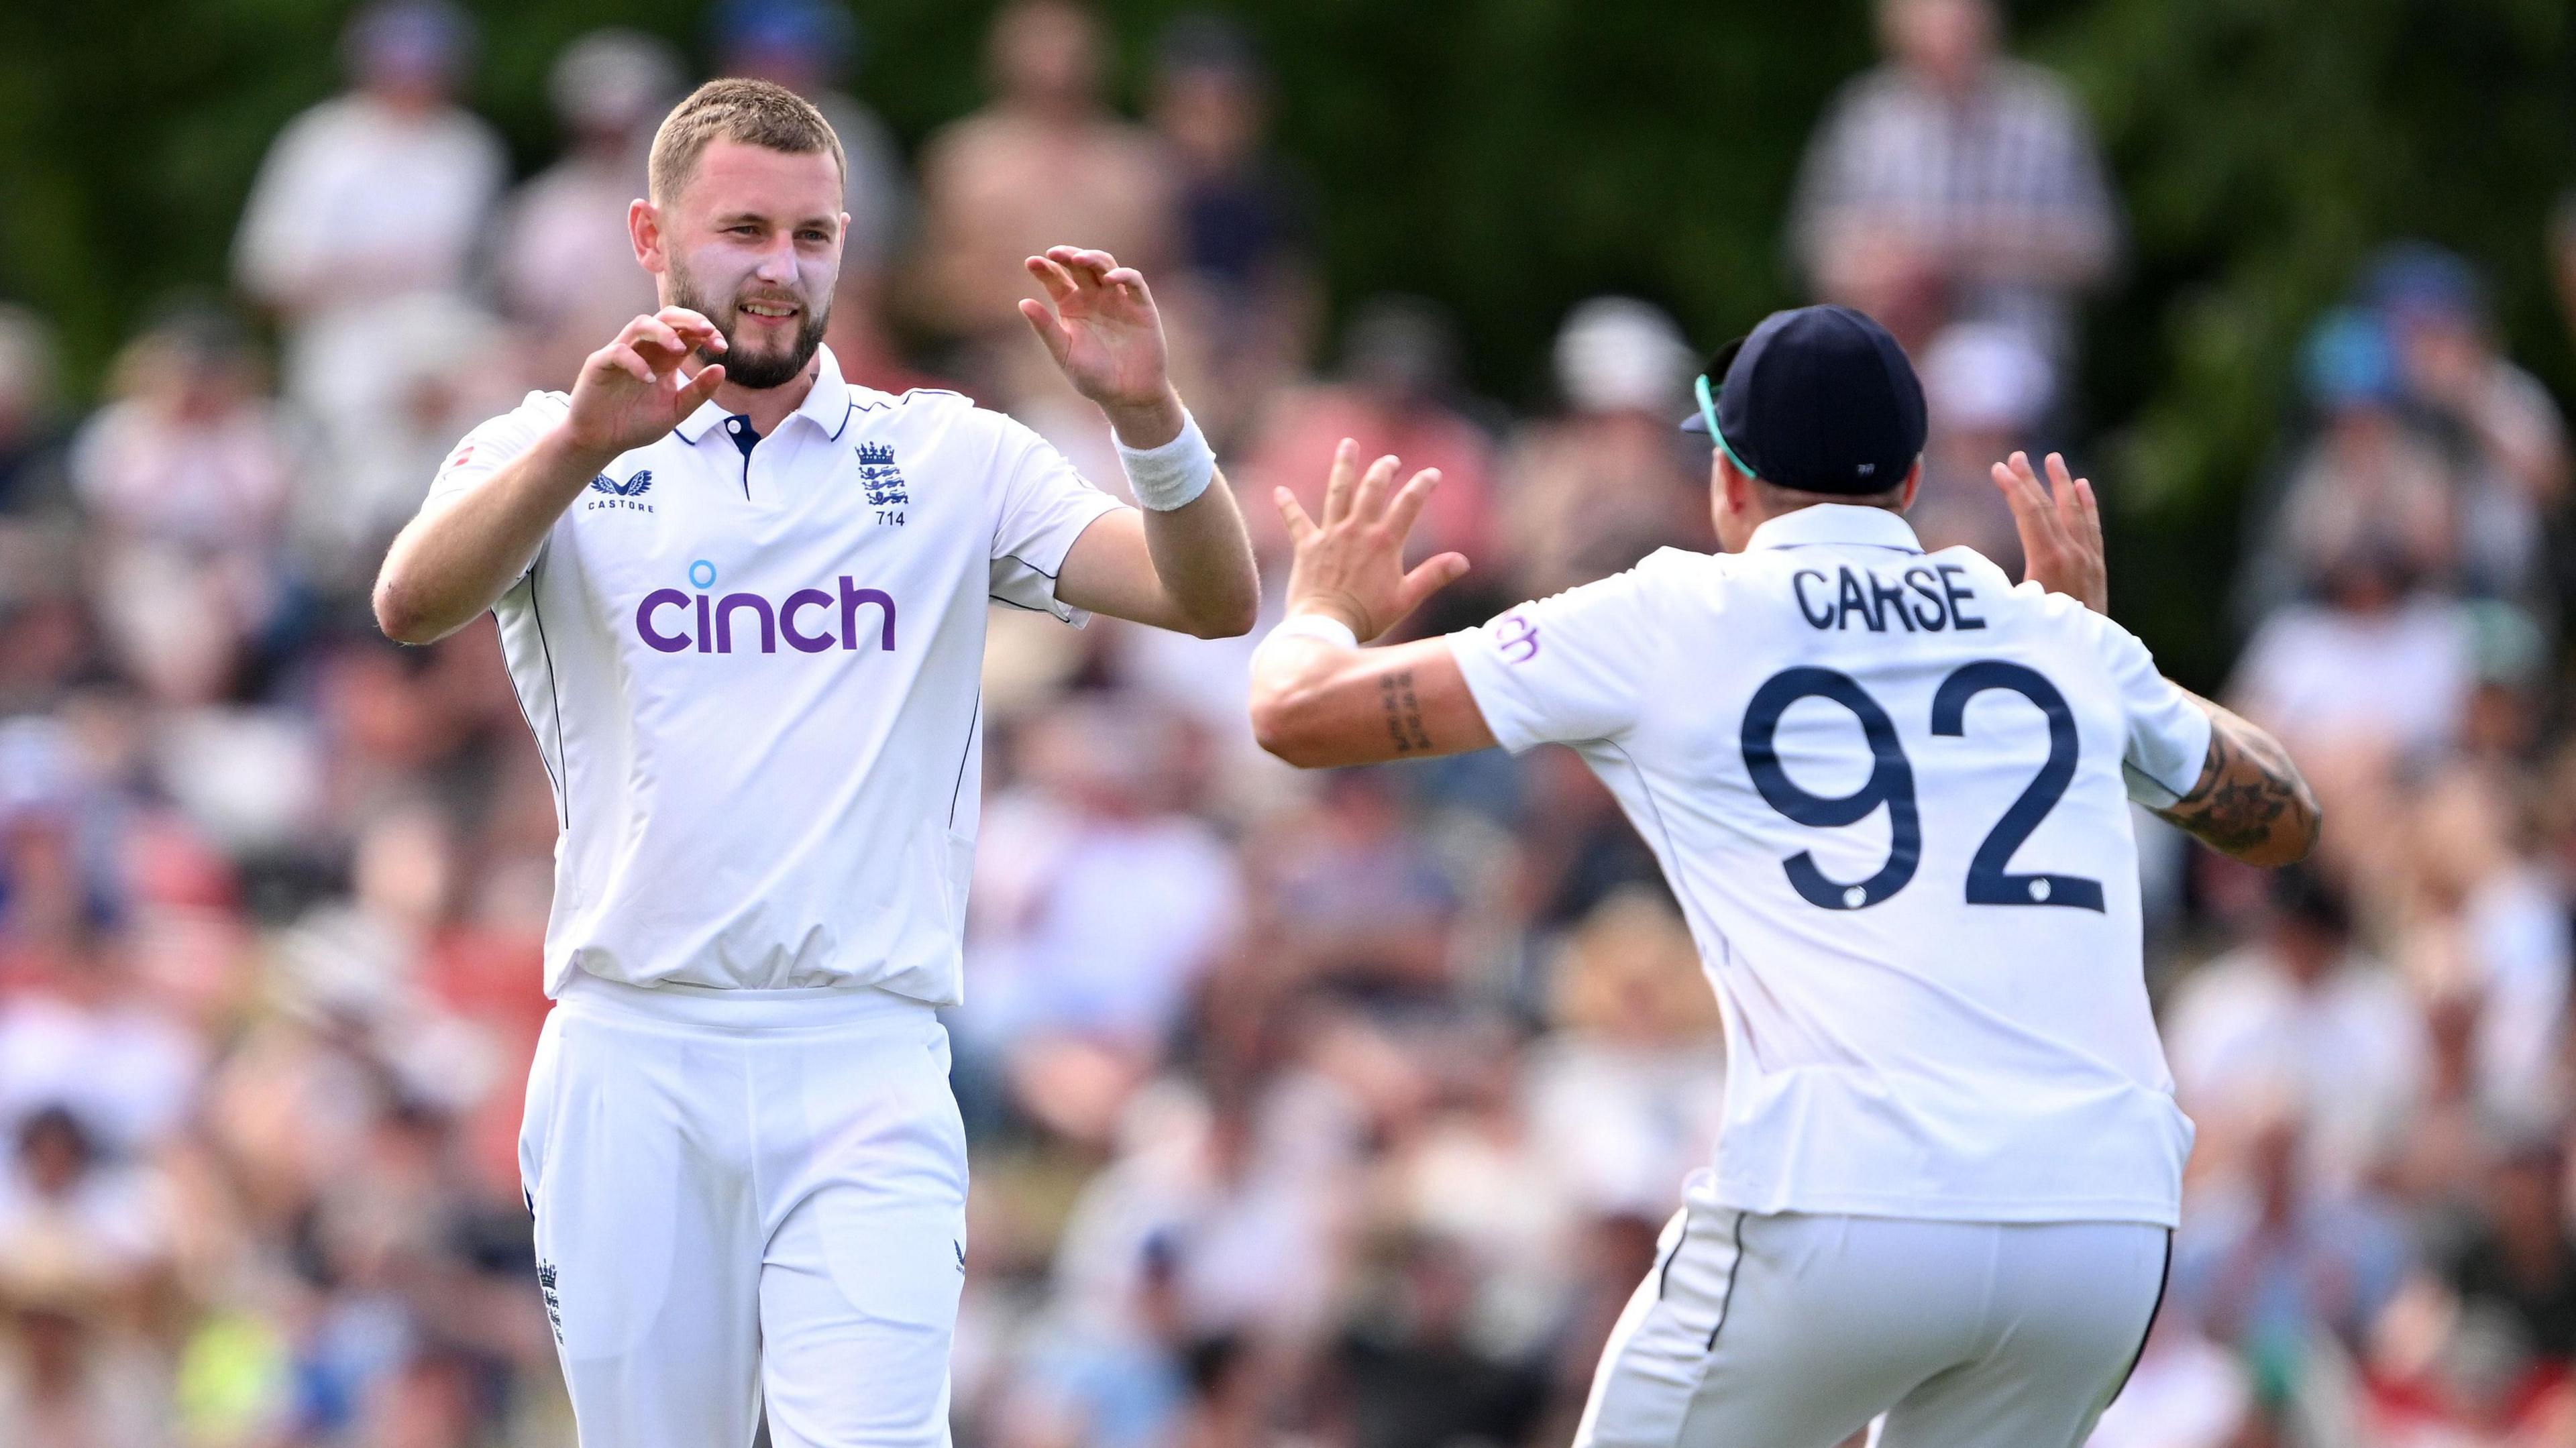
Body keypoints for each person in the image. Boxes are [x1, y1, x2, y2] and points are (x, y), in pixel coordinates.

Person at [1246, 304, 2320, 1447]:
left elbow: (1296, 716)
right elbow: (2284, 815)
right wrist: (2096, 657)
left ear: (1729, 481)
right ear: (1911, 481)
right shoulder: (2053, 632)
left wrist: (1323, 606)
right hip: (2103, 1212)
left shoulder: (1670, 612)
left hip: (1851, 1193)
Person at [370, 78, 1257, 1448]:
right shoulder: (555, 436)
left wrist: (1151, 418)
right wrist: (574, 446)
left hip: (866, 1054)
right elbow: (411, 603)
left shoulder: (948, 454)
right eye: (742, 230)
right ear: (649, 235)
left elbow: (1207, 598)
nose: (781, 270)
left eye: (813, 235)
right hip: (632, 1049)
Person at [1788, 0, 2117, 362]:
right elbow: (1813, 250)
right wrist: (1884, 266)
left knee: (1978, 391)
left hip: (2014, 340)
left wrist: (1971, 250)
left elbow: (2099, 252)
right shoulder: (1865, 119)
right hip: (1890, 342)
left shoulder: (2043, 114)